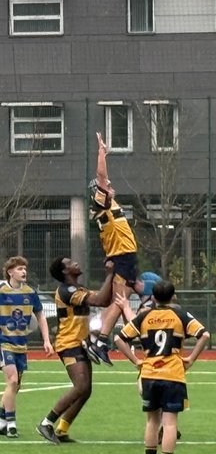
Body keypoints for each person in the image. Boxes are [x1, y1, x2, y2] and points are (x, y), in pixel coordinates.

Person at [113, 280, 210, 454]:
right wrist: (191, 358)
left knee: (151, 421)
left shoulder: (144, 316)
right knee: (170, 423)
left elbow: (118, 339)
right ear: (173, 297)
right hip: (172, 375)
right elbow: (205, 335)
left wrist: (136, 362)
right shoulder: (180, 316)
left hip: (149, 374)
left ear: (153, 298)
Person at [36, 257, 121, 444]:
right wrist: (109, 274)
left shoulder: (79, 289)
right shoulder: (67, 291)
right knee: (81, 386)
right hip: (68, 344)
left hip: (79, 342)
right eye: (70, 263)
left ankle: (61, 430)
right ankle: (46, 422)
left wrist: (113, 276)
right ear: (65, 271)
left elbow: (105, 300)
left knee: (86, 390)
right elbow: (99, 300)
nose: (76, 263)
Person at [86, 133, 143, 366]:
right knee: (120, 301)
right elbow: (101, 176)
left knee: (119, 302)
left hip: (123, 257)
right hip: (122, 257)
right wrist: (102, 153)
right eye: (107, 186)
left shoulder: (110, 204)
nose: (110, 186)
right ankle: (98, 341)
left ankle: (98, 341)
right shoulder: (101, 202)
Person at [0, 256, 54, 439]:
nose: (24, 272)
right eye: (20, 269)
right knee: (12, 380)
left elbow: (40, 316)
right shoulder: (1, 292)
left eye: (25, 269)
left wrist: (47, 340)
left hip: (21, 345)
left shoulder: (30, 293)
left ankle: (1, 419)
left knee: (15, 386)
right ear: (10, 272)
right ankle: (11, 425)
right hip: (3, 343)